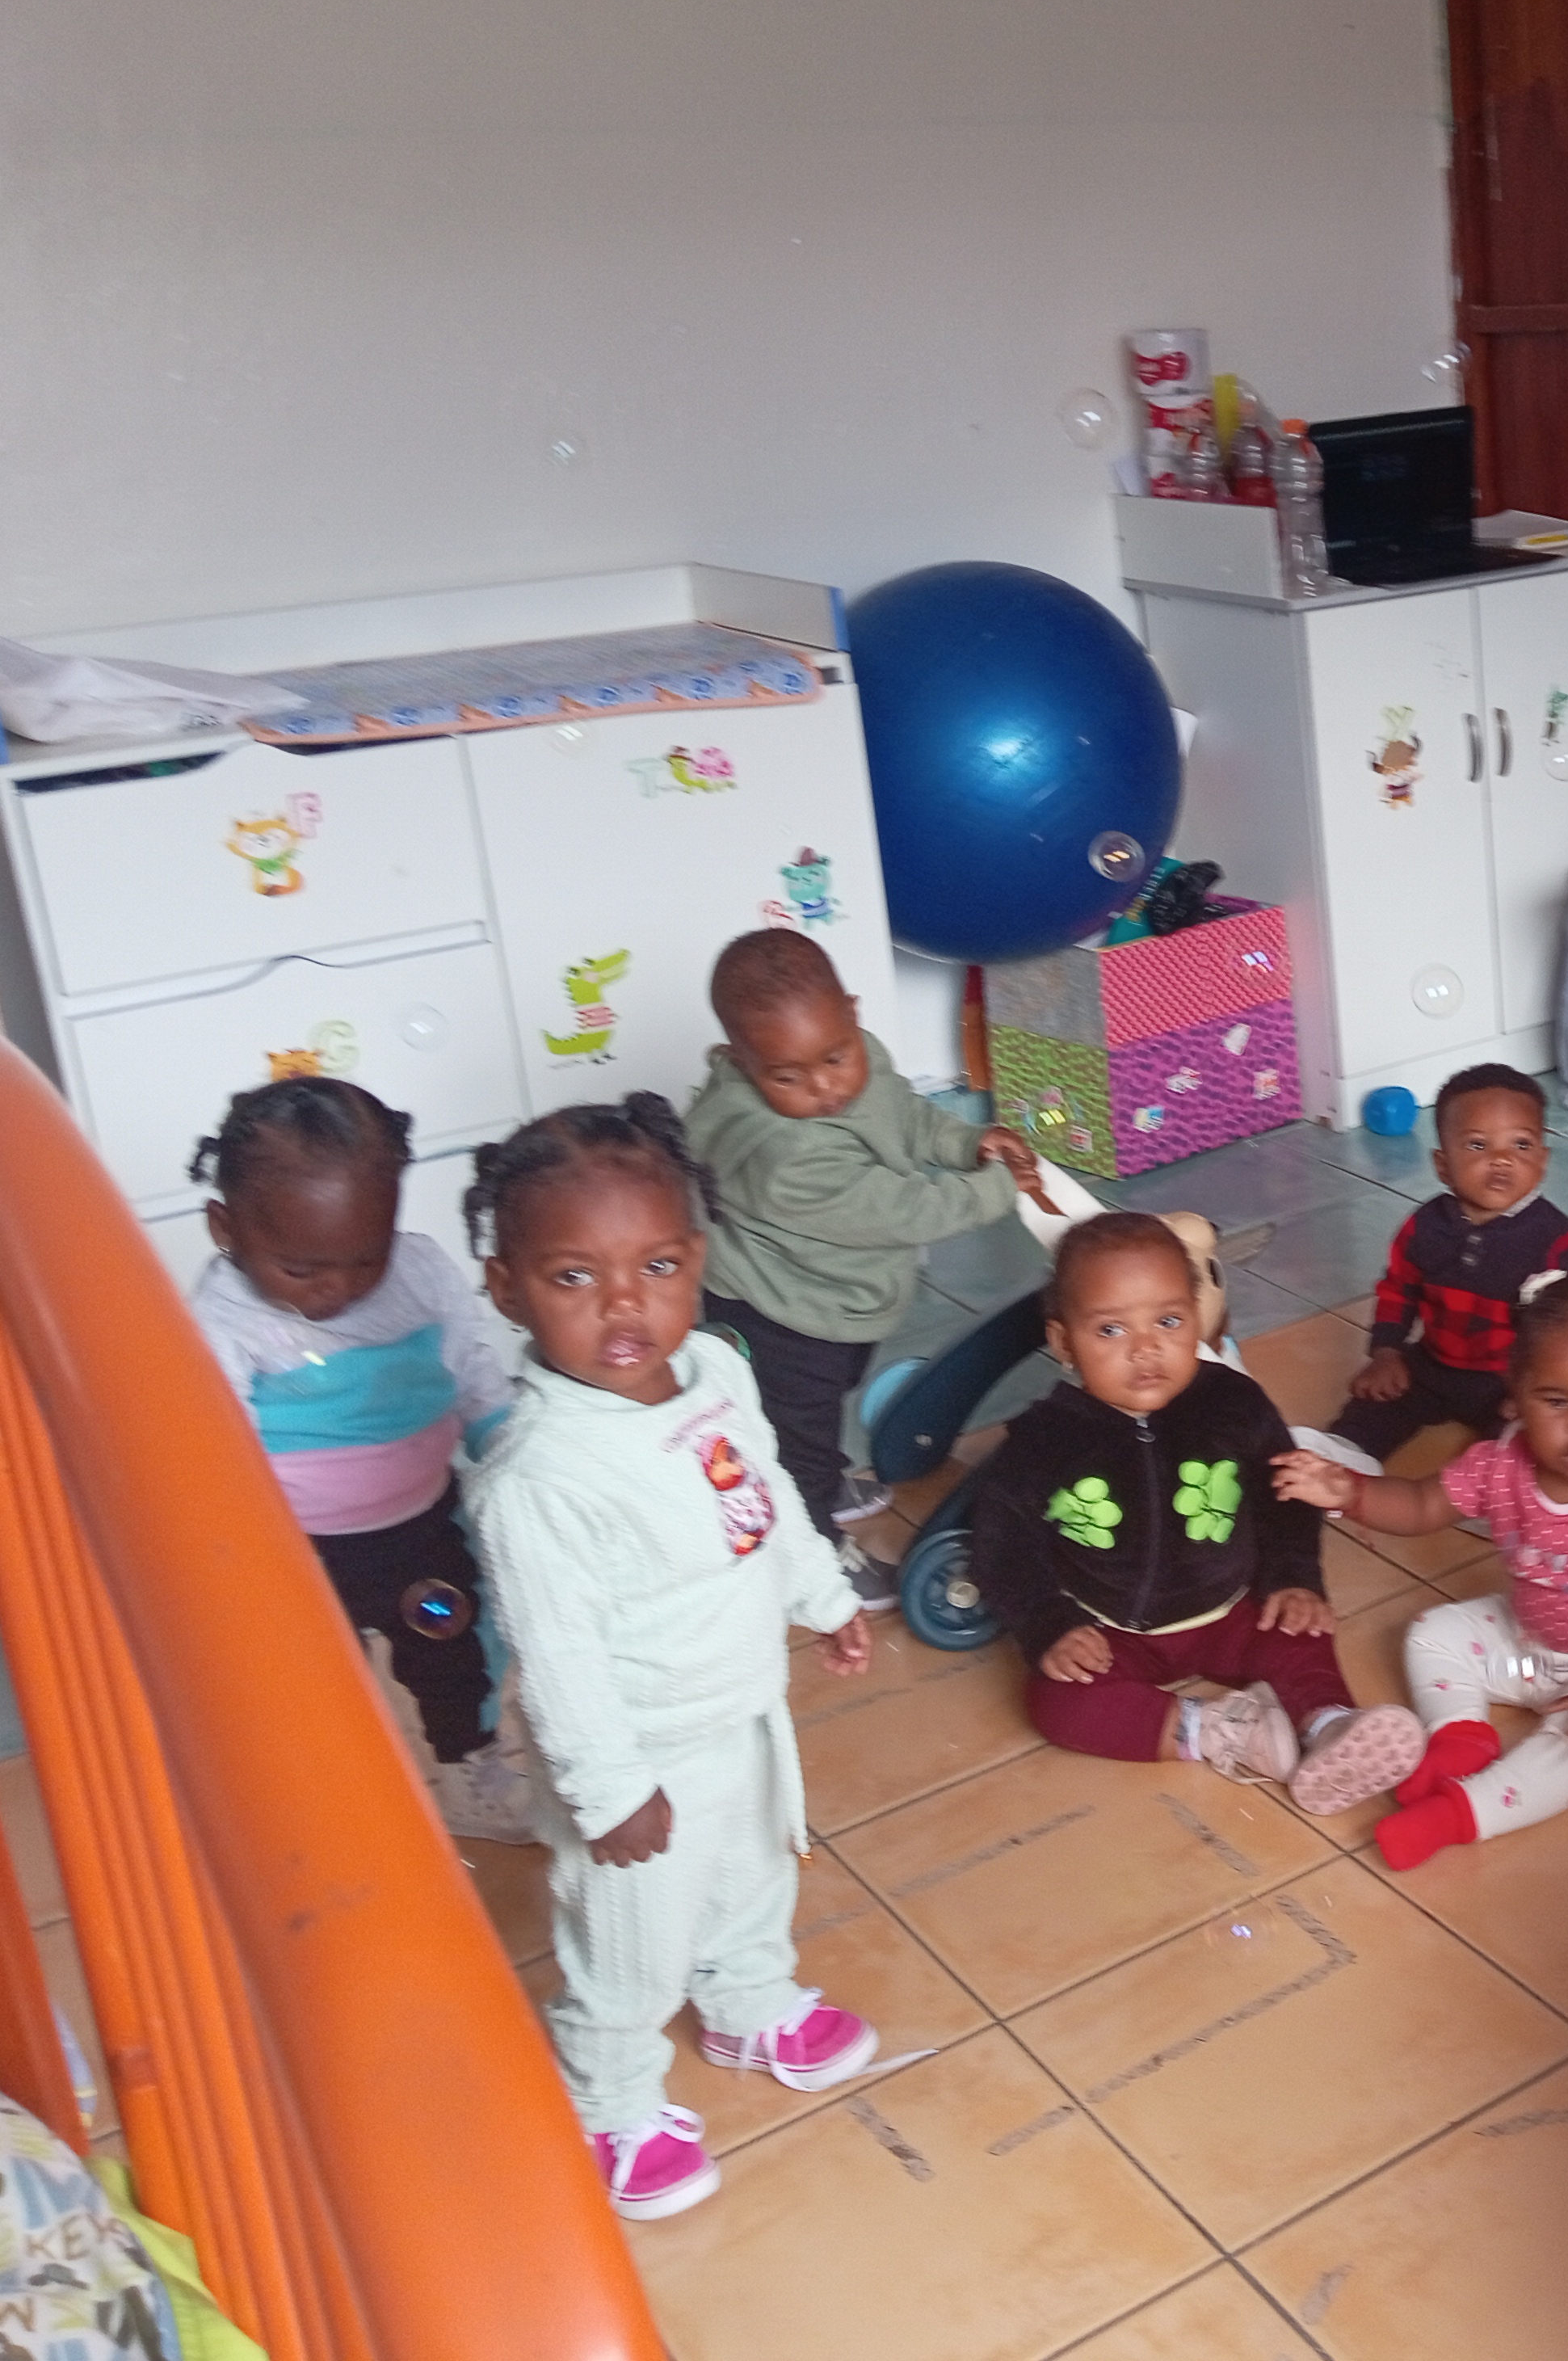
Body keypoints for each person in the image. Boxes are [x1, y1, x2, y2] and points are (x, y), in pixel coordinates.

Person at [462, 1096, 878, 2224]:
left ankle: (746, 1998)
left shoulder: (714, 1376)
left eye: (654, 1265)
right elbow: (557, 1655)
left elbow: (765, 1496)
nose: (623, 1303)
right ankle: (608, 2098)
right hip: (635, 1750)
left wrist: (821, 1593)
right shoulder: (541, 1476)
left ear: (697, 1259)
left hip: (740, 1705)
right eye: (573, 1277)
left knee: (752, 1872)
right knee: (629, 1941)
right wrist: (609, 1791)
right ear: (506, 1288)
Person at [966, 1212, 1425, 1817]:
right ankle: (1222, 1731)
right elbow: (1002, 1542)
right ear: (1063, 1342)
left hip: (1231, 1610)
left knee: (1300, 1633)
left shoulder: (1231, 1402)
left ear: (1197, 1317)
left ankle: (1329, 1725)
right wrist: (1048, 1625)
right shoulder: (1045, 1438)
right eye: (1110, 1330)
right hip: (1110, 1632)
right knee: (1058, 1702)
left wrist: (1293, 1578)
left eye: (1168, 1321)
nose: (1145, 1348)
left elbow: (1285, 1491)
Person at [183, 1077, 532, 1841]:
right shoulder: (222, 1319)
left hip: (423, 1533)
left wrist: (509, 1447)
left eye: (364, 1260)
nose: (336, 1291)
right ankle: (327, 1799)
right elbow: (220, 1446)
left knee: (456, 1650)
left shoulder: (421, 1274)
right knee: (310, 1681)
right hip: (298, 1552)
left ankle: (468, 1765)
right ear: (225, 1228)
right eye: (300, 1271)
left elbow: (471, 1366)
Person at [1277, 1266, 1568, 1872]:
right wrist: (1348, 1491)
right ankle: (1459, 1741)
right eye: (1556, 1401)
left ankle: (1461, 1813)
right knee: (1431, 1633)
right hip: (1534, 1655)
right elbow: (1422, 1504)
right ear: (1515, 1395)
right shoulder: (1501, 1462)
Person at [686, 928, 1042, 1605]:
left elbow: (905, 1115)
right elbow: (900, 1209)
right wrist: (995, 1191)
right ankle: (813, 1554)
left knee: (826, 1405)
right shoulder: (783, 1156)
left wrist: (969, 1143)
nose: (825, 1088)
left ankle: (814, 1483)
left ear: (852, 1015)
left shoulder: (861, 1061)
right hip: (777, 1314)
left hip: (832, 1297)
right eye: (787, 1077)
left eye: (835, 1057)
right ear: (741, 1059)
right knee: (798, 1429)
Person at [1327, 1063, 1568, 1462]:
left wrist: (1537, 1387)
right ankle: (1339, 1462)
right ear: (1443, 1165)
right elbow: (1399, 1290)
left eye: (1521, 1145)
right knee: (1371, 1407)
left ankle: (1493, 1486)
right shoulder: (1424, 1226)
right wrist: (1386, 1353)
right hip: (1433, 1363)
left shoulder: (1557, 1240)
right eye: (1478, 1146)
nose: (1501, 1160)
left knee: (1530, 1437)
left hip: (1512, 1377)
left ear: (1543, 1159)